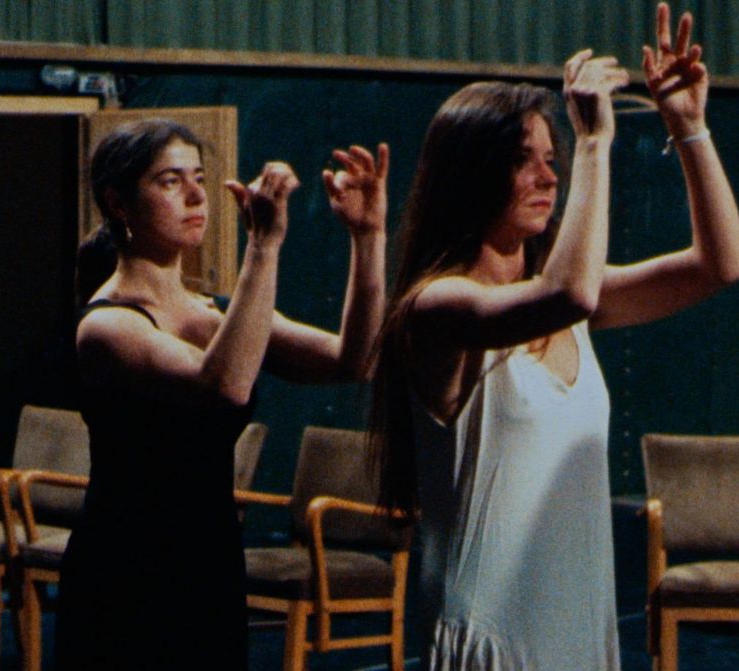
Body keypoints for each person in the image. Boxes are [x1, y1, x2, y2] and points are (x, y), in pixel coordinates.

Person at [370, 3, 739, 669]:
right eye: (524, 161)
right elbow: (566, 291)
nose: (549, 175)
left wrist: (690, 127)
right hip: (486, 636)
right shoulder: (437, 304)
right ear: (472, 172)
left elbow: (720, 263)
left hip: (575, 625)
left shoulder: (572, 302)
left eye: (554, 157)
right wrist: (594, 142)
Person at [56, 118, 390, 670]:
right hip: (127, 572)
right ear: (118, 203)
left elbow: (356, 359)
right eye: (169, 181)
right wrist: (261, 245)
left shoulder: (216, 311)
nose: (195, 195)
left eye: (200, 178)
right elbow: (223, 386)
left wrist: (367, 237)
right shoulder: (106, 326)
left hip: (207, 565)